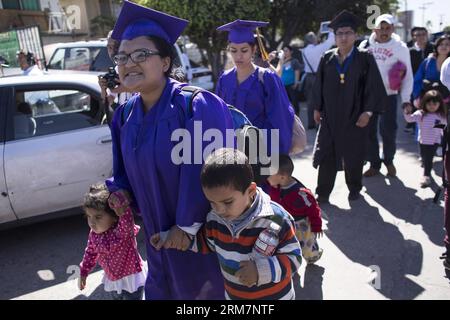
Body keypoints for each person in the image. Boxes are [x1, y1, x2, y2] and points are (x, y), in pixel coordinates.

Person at [106, 1, 232, 300]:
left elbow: (218, 173)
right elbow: (122, 171)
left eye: (141, 54)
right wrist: (121, 192)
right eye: (122, 57)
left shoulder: (196, 106)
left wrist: (186, 226)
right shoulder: (124, 116)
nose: (128, 63)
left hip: (199, 241)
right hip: (156, 240)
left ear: (165, 62)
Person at [150, 148, 302, 300]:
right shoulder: (215, 220)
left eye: (227, 202)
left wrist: (261, 271)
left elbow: (294, 258)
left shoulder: (277, 219)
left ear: (250, 191)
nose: (219, 210)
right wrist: (173, 238)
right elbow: (205, 242)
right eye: (212, 203)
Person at [312, 10, 386, 203]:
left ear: (355, 35)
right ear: (335, 36)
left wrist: (368, 112)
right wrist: (316, 108)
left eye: (347, 33)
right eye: (340, 33)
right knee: (327, 153)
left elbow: (373, 86)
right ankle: (323, 192)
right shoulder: (327, 58)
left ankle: (354, 188)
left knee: (354, 155)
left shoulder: (365, 58)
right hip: (331, 116)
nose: (343, 37)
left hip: (355, 116)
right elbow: (318, 84)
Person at [215, 20, 296, 155]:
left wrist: (274, 157)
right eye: (233, 50)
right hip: (231, 151)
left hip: (261, 151)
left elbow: (279, 119)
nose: (238, 56)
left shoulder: (266, 78)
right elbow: (219, 116)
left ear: (254, 49)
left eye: (244, 50)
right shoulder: (224, 79)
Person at [360, 14, 414, 178]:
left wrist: (406, 99)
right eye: (381, 28)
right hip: (369, 96)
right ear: (375, 29)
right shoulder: (365, 46)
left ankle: (388, 160)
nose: (384, 32)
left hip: (389, 95)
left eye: (387, 28)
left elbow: (407, 73)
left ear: (392, 29)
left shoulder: (400, 47)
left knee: (388, 130)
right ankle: (374, 163)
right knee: (368, 131)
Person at [78, 183, 147, 300]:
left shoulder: (123, 232)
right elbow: (90, 253)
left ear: (115, 216)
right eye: (89, 216)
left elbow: (126, 217)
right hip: (113, 280)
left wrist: (121, 203)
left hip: (131, 281)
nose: (92, 222)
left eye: (98, 217)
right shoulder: (94, 234)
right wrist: (83, 271)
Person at [266, 154, 323, 264]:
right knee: (286, 246)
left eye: (269, 174)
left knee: (307, 245)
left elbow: (313, 209)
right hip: (284, 222)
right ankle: (291, 263)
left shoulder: (301, 193)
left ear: (282, 177)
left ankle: (313, 255)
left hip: (302, 225)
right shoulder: (276, 186)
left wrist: (316, 226)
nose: (266, 178)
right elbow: (274, 202)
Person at [403, 90, 447, 188]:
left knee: (429, 158)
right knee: (423, 155)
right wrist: (407, 112)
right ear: (424, 103)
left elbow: (444, 127)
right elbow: (409, 119)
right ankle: (425, 163)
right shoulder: (421, 114)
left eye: (434, 104)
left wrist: (442, 133)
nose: (432, 106)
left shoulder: (440, 116)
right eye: (429, 103)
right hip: (422, 140)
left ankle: (426, 175)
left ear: (439, 104)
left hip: (434, 141)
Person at [302, 30, 335, 129]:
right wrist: (331, 31)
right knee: (321, 99)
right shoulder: (318, 49)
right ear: (313, 40)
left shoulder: (304, 51)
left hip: (308, 76)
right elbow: (330, 41)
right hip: (318, 76)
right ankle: (318, 124)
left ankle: (310, 123)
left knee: (310, 101)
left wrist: (318, 36)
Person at [412, 35, 450, 104]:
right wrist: (417, 97)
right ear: (437, 46)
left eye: (447, 44)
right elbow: (417, 80)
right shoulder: (428, 62)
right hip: (428, 102)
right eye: (441, 44)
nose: (444, 47)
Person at [271, 45, 304, 115]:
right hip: (282, 85)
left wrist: (296, 83)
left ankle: (297, 116)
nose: (285, 53)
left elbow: (297, 72)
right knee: (284, 103)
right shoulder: (281, 61)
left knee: (294, 102)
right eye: (284, 51)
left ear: (291, 52)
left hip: (292, 85)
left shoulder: (294, 61)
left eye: (286, 51)